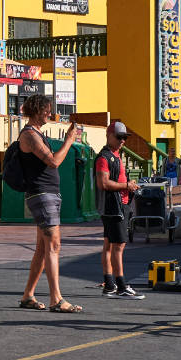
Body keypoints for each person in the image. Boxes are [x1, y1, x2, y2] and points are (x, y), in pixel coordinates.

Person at [14, 93, 83, 313]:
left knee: (43, 248)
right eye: (46, 109)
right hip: (41, 194)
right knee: (54, 245)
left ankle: (28, 296)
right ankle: (56, 299)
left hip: (48, 194)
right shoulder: (29, 135)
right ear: (35, 110)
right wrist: (69, 141)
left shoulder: (37, 134)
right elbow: (53, 161)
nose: (49, 113)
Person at [94, 122, 144, 299]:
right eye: (119, 137)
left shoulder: (114, 155)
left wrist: (128, 187)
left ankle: (109, 285)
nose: (123, 141)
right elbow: (103, 183)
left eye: (125, 137)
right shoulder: (104, 158)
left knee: (109, 245)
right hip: (114, 207)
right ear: (109, 135)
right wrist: (127, 186)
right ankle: (121, 285)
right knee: (118, 246)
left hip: (116, 205)